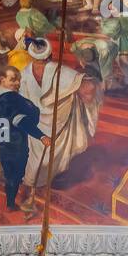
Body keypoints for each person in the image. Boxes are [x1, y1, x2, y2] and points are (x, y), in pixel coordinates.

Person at [18, 37, 101, 183]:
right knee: (55, 154)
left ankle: (36, 179)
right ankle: (52, 175)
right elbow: (89, 88)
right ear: (50, 54)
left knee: (37, 156)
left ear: (31, 54)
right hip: (59, 123)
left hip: (35, 125)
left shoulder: (24, 74)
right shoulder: (61, 72)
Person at [0, 66, 51, 211]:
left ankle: (10, 196)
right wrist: (42, 136)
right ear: (2, 79)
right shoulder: (14, 99)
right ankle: (10, 204)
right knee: (15, 174)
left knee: (8, 172)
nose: (17, 83)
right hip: (15, 144)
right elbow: (23, 121)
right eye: (13, 80)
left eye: (18, 80)